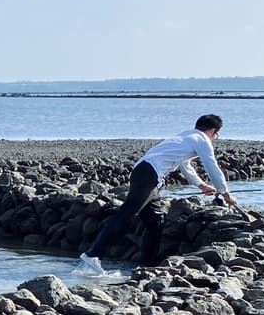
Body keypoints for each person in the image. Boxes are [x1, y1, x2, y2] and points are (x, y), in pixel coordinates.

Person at [76, 114, 237, 276]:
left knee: (155, 221)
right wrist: (225, 193)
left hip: (144, 173)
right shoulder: (202, 139)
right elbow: (212, 166)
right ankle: (93, 254)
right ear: (213, 130)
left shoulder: (186, 137)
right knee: (127, 213)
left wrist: (201, 185)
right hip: (149, 175)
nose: (215, 138)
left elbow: (185, 165)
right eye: (216, 134)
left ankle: (146, 267)